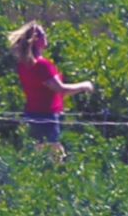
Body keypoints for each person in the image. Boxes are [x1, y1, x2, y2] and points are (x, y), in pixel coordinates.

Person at [8, 21, 94, 158]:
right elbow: (61, 89)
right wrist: (84, 85)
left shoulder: (23, 64)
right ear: (36, 39)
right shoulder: (42, 65)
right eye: (42, 34)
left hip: (31, 113)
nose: (46, 36)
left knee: (39, 153)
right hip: (46, 115)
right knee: (53, 156)